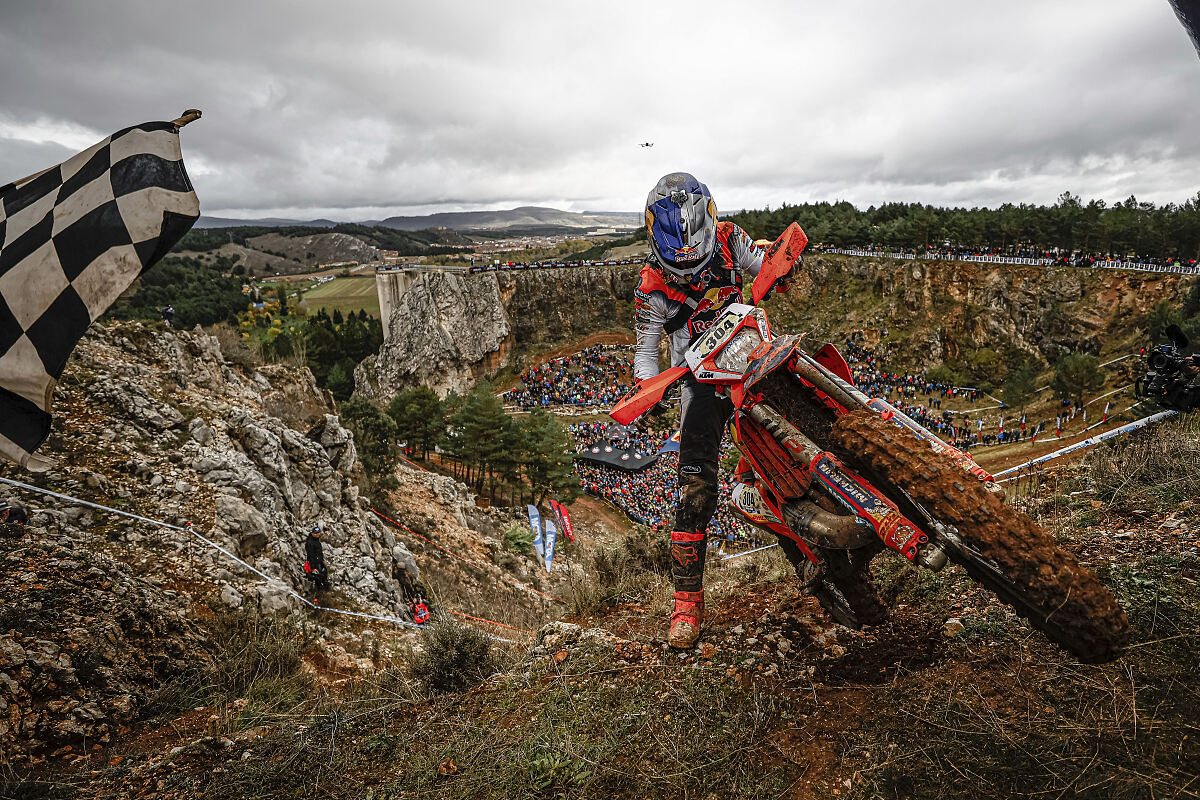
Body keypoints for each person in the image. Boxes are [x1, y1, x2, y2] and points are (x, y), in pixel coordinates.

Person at [633, 172, 798, 648]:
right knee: (695, 488)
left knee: (805, 418)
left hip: (752, 355)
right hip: (700, 379)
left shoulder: (727, 239)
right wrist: (649, 389)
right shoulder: (650, 285)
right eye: (679, 270)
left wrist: (782, 265)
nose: (689, 276)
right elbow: (646, 352)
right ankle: (686, 606)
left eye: (695, 265)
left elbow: (765, 266)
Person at [303, 525, 330, 596]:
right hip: (314, 564)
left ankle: (324, 593)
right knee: (317, 579)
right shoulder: (310, 543)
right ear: (312, 533)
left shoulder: (317, 541)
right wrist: (313, 568)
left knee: (324, 576)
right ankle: (318, 595)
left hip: (319, 563)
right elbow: (310, 556)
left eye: (318, 533)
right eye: (315, 533)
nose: (317, 534)